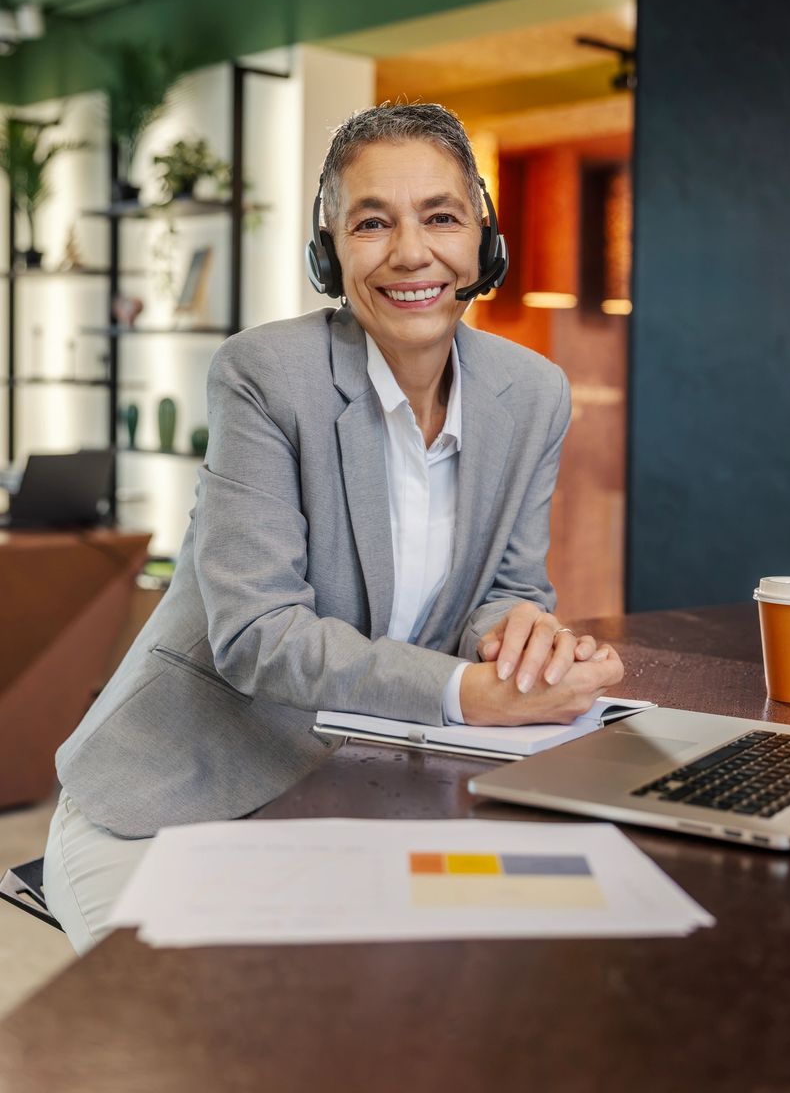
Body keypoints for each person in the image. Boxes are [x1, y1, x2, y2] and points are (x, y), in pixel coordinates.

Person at [43, 102, 624, 953]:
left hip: (358, 796)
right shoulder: (266, 376)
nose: (411, 252)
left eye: (440, 216)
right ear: (328, 254)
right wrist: (467, 692)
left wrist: (525, 642)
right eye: (372, 222)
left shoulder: (532, 393)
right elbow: (258, 634)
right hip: (173, 799)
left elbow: (508, 588)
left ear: (483, 243)